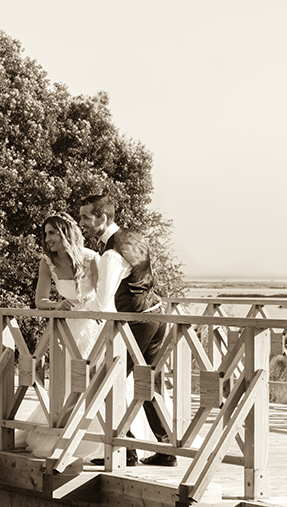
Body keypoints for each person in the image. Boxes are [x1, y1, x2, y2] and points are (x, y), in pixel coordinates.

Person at [78, 193, 176, 467]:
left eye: (86, 216)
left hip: (137, 322)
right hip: (156, 316)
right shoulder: (134, 236)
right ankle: (166, 450)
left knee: (105, 382)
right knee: (147, 385)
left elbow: (102, 302)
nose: (82, 221)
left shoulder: (110, 254)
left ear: (103, 218)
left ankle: (126, 451)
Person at [20, 212, 106, 463]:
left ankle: (102, 439)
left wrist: (97, 311)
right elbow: (40, 301)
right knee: (67, 379)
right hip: (67, 330)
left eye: (52, 233)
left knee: (95, 379)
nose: (47, 239)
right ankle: (64, 433)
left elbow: (105, 296)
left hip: (93, 327)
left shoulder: (91, 258)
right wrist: (57, 305)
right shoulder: (47, 263)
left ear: (66, 234)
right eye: (45, 234)